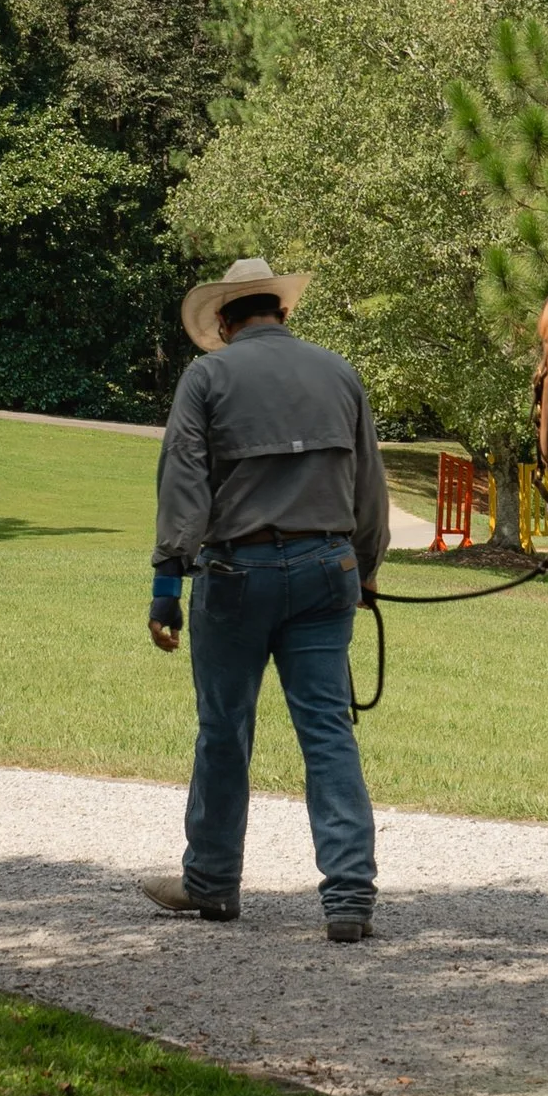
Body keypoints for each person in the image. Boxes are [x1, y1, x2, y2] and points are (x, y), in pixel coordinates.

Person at [141, 257, 390, 943]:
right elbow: (370, 486)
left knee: (225, 730)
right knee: (327, 732)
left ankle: (214, 884)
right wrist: (364, 571)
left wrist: (167, 585)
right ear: (283, 312)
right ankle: (348, 899)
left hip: (236, 574)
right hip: (326, 570)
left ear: (223, 321)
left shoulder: (208, 376)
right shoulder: (339, 373)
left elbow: (183, 486)